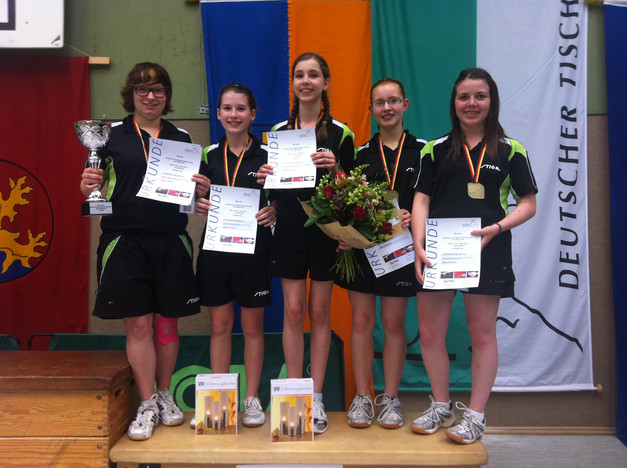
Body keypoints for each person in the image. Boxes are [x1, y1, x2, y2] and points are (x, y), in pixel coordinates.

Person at [410, 68, 537, 444]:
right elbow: (421, 200)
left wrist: (497, 228)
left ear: (491, 101)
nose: (471, 103)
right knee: (430, 334)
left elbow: (528, 204)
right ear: (454, 102)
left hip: (489, 249)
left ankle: (476, 416)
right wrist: (418, 245)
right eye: (464, 96)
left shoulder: (511, 150)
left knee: (482, 335)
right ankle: (441, 406)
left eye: (480, 96)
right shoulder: (435, 149)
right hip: (440, 250)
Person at [80, 62, 201, 441]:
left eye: (158, 90)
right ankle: (146, 402)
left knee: (166, 325)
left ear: (167, 96)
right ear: (130, 94)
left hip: (171, 241)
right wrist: (87, 184)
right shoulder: (109, 136)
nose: (151, 96)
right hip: (124, 242)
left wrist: (199, 191)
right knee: (139, 326)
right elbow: (90, 188)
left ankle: (164, 394)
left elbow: (190, 195)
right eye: (143, 89)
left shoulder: (182, 137)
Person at [257, 52, 355, 434]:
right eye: (300, 75)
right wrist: (266, 181)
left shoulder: (341, 133)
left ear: (325, 83)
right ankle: (295, 395)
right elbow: (273, 192)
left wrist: (338, 169)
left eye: (314, 75)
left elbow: (354, 191)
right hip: (290, 231)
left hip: (325, 233)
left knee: (320, 312)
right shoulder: (279, 131)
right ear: (293, 83)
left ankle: (316, 396)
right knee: (294, 311)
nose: (306, 81)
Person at [336, 78, 425, 429]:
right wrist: (343, 233)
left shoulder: (423, 152)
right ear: (371, 109)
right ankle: (362, 396)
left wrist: (416, 217)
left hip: (401, 251)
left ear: (405, 104)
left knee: (393, 323)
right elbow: (343, 204)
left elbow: (431, 200)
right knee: (361, 322)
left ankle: (390, 397)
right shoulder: (359, 155)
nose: (387, 108)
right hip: (363, 251)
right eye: (379, 103)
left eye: (393, 101)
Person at [192, 83, 276, 428]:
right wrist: (196, 203)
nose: (234, 115)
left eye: (241, 108)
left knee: (252, 328)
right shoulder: (208, 156)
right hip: (215, 252)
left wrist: (275, 210)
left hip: (254, 254)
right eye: (227, 108)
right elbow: (193, 198)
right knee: (219, 326)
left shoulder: (269, 156)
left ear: (253, 115)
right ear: (218, 114)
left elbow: (284, 199)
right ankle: (219, 400)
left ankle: (252, 398)